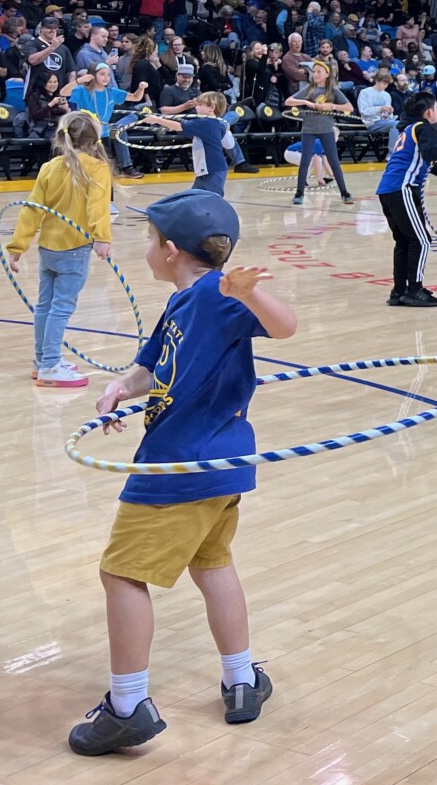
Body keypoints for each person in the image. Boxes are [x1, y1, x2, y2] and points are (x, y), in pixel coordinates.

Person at [70, 190, 298, 755]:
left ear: (170, 250)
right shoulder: (184, 300)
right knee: (212, 563)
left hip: (180, 465)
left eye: (149, 239)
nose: (145, 248)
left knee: (122, 574)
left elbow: (286, 327)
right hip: (221, 463)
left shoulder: (218, 293)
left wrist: (250, 292)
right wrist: (121, 387)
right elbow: (156, 367)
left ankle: (127, 707)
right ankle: (241, 679)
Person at [5, 111, 114, 389]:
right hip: (74, 248)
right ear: (95, 139)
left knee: (45, 306)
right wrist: (103, 238)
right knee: (61, 308)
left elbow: (32, 209)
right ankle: (51, 365)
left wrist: (18, 246)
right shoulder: (97, 168)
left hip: (48, 248)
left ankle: (42, 360)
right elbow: (98, 207)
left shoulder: (50, 166)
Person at [376, 92, 437, 308]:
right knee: (421, 240)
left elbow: (423, 159)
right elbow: (429, 154)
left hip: (388, 190)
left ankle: (399, 291)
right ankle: (415, 290)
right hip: (402, 189)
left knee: (405, 241)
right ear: (429, 112)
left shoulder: (408, 130)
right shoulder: (424, 127)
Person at [138, 90, 234, 195]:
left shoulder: (204, 123)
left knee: (212, 198)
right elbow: (229, 145)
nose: (196, 107)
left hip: (211, 169)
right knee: (197, 196)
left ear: (211, 108)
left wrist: (157, 120)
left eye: (200, 105)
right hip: (213, 168)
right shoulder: (219, 124)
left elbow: (179, 126)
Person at [286, 62, 355, 206]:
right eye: (314, 72)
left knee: (334, 161)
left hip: (326, 129)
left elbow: (349, 107)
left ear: (327, 74)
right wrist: (306, 102)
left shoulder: (333, 91)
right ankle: (299, 193)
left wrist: (333, 106)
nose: (315, 74)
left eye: (319, 71)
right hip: (308, 130)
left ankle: (344, 192)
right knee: (305, 161)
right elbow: (288, 101)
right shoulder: (309, 89)